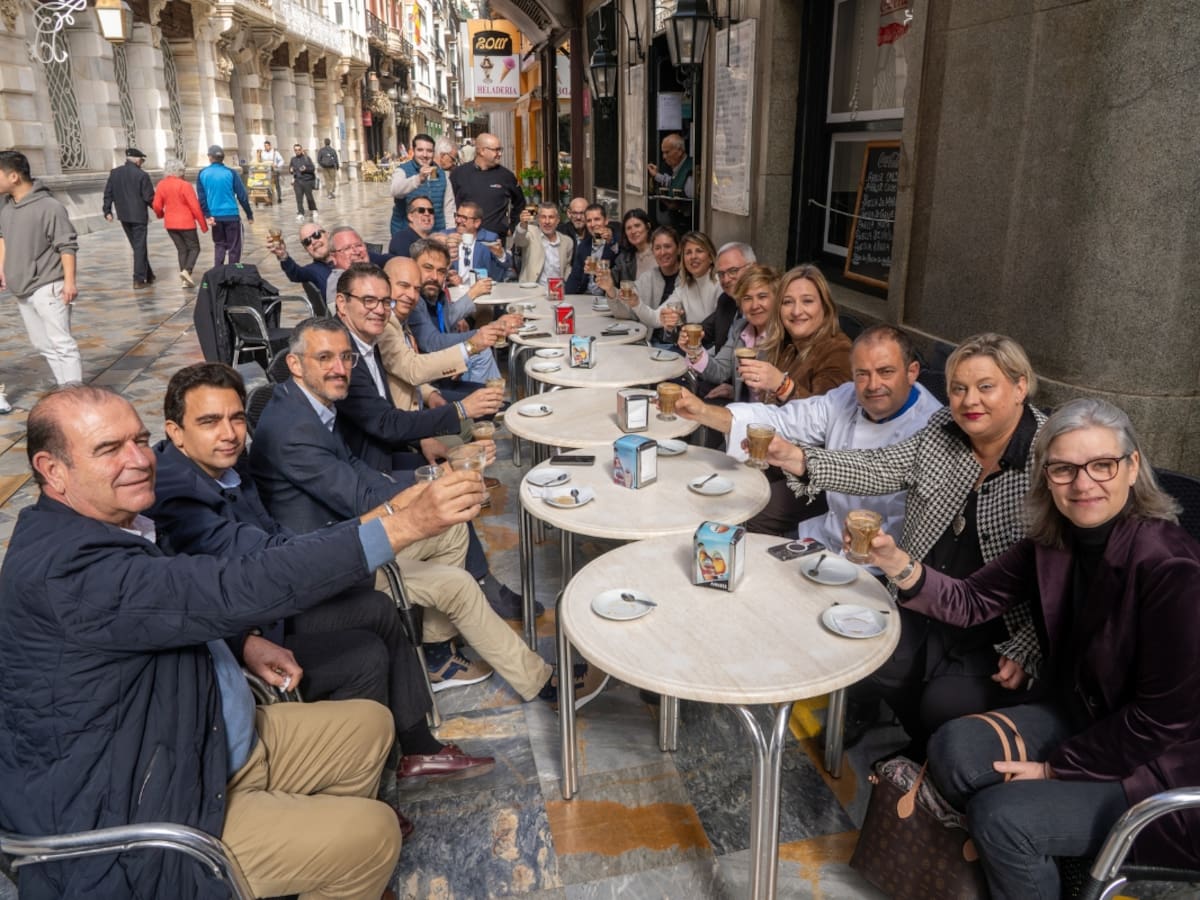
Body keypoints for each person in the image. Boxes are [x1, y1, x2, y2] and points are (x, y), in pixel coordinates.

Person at [0, 384, 496, 898]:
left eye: (139, 440)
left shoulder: (117, 525)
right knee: (373, 835)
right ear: (52, 470)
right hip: (152, 811)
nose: (138, 459)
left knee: (371, 723)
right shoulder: (71, 570)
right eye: (109, 449)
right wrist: (403, 525)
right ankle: (345, 861)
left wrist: (240, 644)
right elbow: (237, 583)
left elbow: (176, 605)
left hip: (201, 740)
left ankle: (319, 868)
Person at [863, 398, 1200, 899]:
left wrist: (1054, 769)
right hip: (1084, 717)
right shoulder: (1054, 540)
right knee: (952, 750)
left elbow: (1162, 722)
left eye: (1102, 465)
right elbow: (972, 600)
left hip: (1159, 767)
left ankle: (1031, 841)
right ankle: (1043, 857)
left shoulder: (1172, 569)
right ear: (1047, 477)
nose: (1083, 484)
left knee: (1000, 819)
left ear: (1132, 468)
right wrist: (897, 564)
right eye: (1064, 469)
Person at [150, 363, 494, 800]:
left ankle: (415, 750)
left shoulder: (227, 467)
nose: (230, 433)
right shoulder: (181, 493)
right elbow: (264, 558)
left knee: (379, 608)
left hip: (266, 604)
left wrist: (390, 511)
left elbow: (277, 540)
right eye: (209, 421)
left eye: (236, 418)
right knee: (364, 655)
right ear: (175, 432)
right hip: (242, 629)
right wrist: (394, 519)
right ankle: (359, 793)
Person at [248, 317, 608, 706]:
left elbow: (357, 471)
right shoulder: (294, 428)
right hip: (326, 565)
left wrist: (438, 475)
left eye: (346, 357)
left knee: (452, 530)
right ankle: (543, 684)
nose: (339, 368)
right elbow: (360, 497)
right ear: (296, 364)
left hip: (341, 537)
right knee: (457, 586)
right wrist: (444, 477)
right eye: (325, 358)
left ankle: (437, 656)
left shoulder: (307, 405)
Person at [768, 333, 1047, 759]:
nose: (970, 400)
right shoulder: (943, 429)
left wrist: (1028, 643)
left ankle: (931, 766)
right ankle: (922, 756)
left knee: (944, 706)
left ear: (1020, 386)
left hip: (997, 624)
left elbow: (1071, 566)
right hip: (922, 587)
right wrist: (800, 459)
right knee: (879, 663)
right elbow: (880, 467)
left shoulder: (1050, 455)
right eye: (958, 388)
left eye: (986, 386)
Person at [676, 324, 942, 550]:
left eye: (886, 372)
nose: (873, 385)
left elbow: (876, 473)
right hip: (824, 536)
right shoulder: (845, 397)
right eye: (862, 374)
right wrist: (702, 412)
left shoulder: (932, 428)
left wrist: (796, 458)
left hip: (883, 563)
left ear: (912, 372)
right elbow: (781, 419)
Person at [0, 149, 81, 409]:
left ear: (13, 176)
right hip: (21, 287)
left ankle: (76, 397)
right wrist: (2, 268)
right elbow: (3, 238)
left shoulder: (50, 206)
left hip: (49, 283)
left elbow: (66, 245)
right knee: (42, 344)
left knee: (62, 343)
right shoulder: (6, 207)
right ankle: (64, 388)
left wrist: (69, 282)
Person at [745, 264, 852, 404]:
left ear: (825, 307)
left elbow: (827, 415)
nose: (796, 311)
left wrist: (783, 386)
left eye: (807, 301)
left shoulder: (839, 351)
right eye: (788, 302)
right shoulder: (789, 346)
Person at [404, 237, 504, 384]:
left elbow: (447, 317)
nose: (434, 277)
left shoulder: (438, 296)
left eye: (441, 271)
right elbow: (432, 343)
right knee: (481, 352)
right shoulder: (412, 300)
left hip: (442, 365)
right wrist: (479, 335)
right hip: (426, 379)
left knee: (482, 348)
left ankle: (489, 398)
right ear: (412, 267)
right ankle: (485, 399)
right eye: (428, 268)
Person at [681, 262, 777, 402]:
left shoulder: (784, 335)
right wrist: (693, 351)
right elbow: (720, 371)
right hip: (743, 413)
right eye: (747, 298)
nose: (755, 305)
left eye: (762, 297)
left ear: (777, 299)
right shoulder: (740, 328)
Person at [606, 226, 681, 343]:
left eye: (667, 246)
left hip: (679, 345)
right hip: (650, 343)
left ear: (678, 249)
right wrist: (610, 289)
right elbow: (626, 313)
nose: (662, 252)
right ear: (653, 252)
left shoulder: (687, 279)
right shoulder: (648, 277)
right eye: (657, 248)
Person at [448, 132, 525, 240]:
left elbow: (520, 203)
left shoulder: (506, 176)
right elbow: (449, 204)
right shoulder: (459, 173)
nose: (500, 154)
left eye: (500, 149)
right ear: (481, 151)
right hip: (465, 238)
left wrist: (512, 227)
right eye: (496, 150)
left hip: (495, 241)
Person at [102, 147, 156, 288]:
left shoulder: (115, 173)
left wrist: (107, 210)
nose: (142, 163)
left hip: (124, 216)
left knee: (137, 246)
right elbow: (149, 197)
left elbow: (108, 193)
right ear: (137, 160)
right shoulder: (142, 175)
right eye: (142, 160)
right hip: (138, 216)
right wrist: (160, 209)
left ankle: (148, 274)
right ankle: (138, 279)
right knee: (139, 247)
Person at [654, 230, 720, 339]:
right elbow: (655, 317)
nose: (693, 256)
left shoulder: (721, 283)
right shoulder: (683, 287)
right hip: (690, 347)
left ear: (710, 256)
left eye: (699, 251)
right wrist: (668, 323)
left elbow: (719, 328)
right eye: (688, 252)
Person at [152, 157, 208, 288]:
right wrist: (203, 225)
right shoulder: (185, 185)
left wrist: (160, 215)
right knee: (194, 248)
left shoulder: (161, 185)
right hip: (186, 222)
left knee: (181, 250)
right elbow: (195, 206)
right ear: (179, 171)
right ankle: (187, 271)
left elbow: (156, 205)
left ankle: (185, 280)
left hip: (170, 223)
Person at [196, 145, 253, 266]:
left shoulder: (202, 173)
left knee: (219, 245)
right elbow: (242, 195)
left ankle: (218, 272)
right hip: (231, 215)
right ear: (223, 158)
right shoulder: (231, 173)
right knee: (234, 247)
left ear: (210, 157)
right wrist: (249, 214)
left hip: (215, 216)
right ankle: (232, 273)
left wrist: (207, 215)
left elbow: (201, 198)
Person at [390, 133, 454, 234]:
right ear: (413, 151)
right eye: (420, 150)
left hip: (436, 234)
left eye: (429, 151)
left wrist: (449, 233)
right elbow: (395, 191)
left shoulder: (443, 175)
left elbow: (449, 208)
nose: (424, 155)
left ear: (434, 153)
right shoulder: (402, 171)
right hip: (406, 234)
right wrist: (418, 179)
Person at [444, 201, 512, 284]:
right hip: (453, 290)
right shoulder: (445, 237)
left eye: (464, 218)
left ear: (477, 223)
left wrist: (501, 255)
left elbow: (505, 267)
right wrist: (448, 277)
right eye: (457, 216)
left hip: (481, 290)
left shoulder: (489, 238)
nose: (458, 220)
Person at [512, 201, 574, 286]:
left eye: (551, 217)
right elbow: (519, 240)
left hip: (557, 292)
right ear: (538, 219)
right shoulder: (530, 232)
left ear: (558, 220)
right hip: (532, 291)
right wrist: (523, 225)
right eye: (543, 217)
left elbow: (567, 268)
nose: (547, 221)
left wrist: (566, 284)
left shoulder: (567, 241)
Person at [563, 203, 620, 296]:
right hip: (586, 296)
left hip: (609, 297)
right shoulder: (584, 246)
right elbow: (575, 277)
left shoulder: (616, 241)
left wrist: (611, 242)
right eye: (589, 221)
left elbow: (619, 257)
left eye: (597, 219)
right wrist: (565, 298)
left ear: (606, 221)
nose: (593, 224)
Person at [647, 133, 694, 230]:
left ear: (679, 151)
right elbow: (674, 181)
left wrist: (678, 205)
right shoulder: (679, 168)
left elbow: (690, 196)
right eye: (663, 152)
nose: (664, 157)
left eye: (667, 152)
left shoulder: (689, 170)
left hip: (686, 223)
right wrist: (656, 175)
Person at [270, 222, 332, 291]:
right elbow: (296, 273)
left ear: (327, 234)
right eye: (307, 242)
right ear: (306, 249)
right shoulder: (314, 271)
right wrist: (282, 254)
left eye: (316, 235)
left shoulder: (344, 254)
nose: (314, 242)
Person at [611, 208, 655, 284]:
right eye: (628, 228)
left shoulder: (660, 252)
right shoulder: (624, 259)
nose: (633, 231)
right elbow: (611, 281)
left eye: (637, 226)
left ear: (648, 226)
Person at [289, 143, 319, 222]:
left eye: (299, 150)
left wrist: (306, 169)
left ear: (301, 150)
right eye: (296, 150)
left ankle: (313, 209)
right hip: (298, 182)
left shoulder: (306, 158)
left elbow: (312, 168)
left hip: (307, 181)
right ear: (294, 151)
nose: (297, 151)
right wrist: (291, 170)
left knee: (309, 197)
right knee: (299, 198)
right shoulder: (293, 159)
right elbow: (291, 169)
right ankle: (300, 213)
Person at [263, 139, 284, 203]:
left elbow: (282, 160)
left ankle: (279, 197)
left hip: (274, 171)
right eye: (264, 146)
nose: (265, 147)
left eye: (266, 146)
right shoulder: (263, 153)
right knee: (267, 186)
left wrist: (277, 165)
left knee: (277, 185)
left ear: (270, 146)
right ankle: (269, 199)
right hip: (266, 172)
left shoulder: (275, 152)